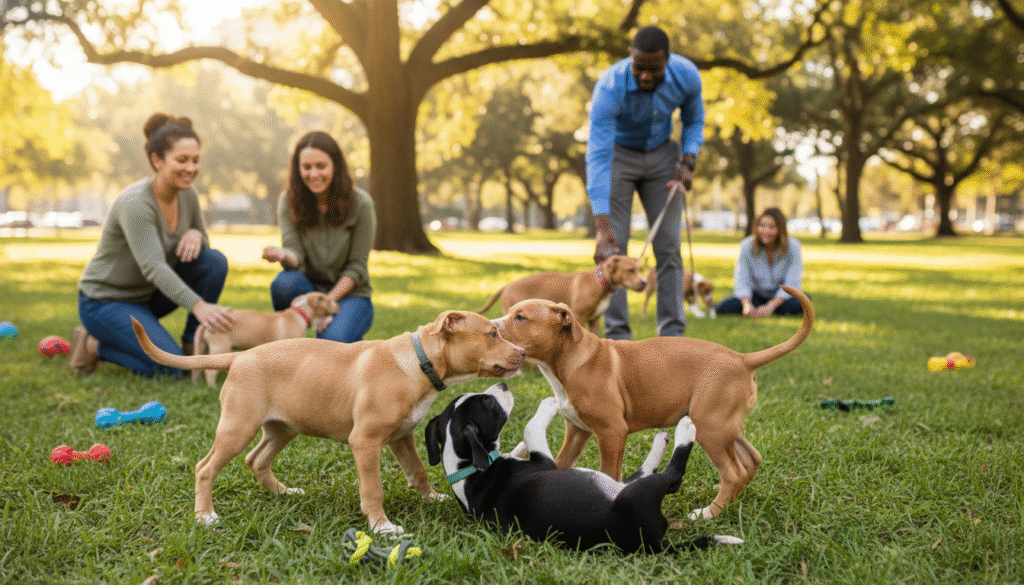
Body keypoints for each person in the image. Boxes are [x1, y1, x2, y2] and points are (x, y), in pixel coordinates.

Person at [70, 113, 234, 377]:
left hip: (148, 297)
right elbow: (154, 267)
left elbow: (204, 250)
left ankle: (193, 343)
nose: (190, 168)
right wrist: (199, 306)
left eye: (195, 160)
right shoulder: (136, 203)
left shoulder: (187, 194)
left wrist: (196, 234)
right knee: (171, 368)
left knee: (213, 261)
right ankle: (91, 345)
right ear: (157, 160)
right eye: (181, 160)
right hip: (105, 302)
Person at [586, 25, 706, 339]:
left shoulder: (687, 75)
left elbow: (693, 120)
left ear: (668, 59)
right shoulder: (609, 86)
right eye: (639, 67)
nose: (646, 76)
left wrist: (688, 160)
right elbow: (598, 156)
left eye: (654, 69)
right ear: (630, 57)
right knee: (615, 248)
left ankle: (672, 335)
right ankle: (617, 336)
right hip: (618, 158)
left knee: (668, 246)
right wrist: (601, 225)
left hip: (663, 158)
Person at [261, 131, 376, 343]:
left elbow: (357, 267)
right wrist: (284, 254)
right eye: (306, 167)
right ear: (298, 169)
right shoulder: (288, 201)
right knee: (284, 283)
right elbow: (296, 257)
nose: (313, 174)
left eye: (321, 166)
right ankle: (293, 342)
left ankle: (347, 333)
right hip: (308, 290)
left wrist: (327, 304)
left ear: (336, 166)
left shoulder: (361, 204)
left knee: (330, 343)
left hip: (351, 296)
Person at [715, 207, 805, 317]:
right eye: (762, 226)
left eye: (772, 227)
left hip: (781, 298)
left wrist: (771, 306)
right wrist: (746, 304)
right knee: (723, 307)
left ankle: (767, 310)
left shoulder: (793, 246)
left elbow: (792, 283)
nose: (766, 231)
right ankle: (758, 309)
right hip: (755, 296)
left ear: (780, 229)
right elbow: (741, 279)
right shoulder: (747, 245)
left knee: (801, 302)